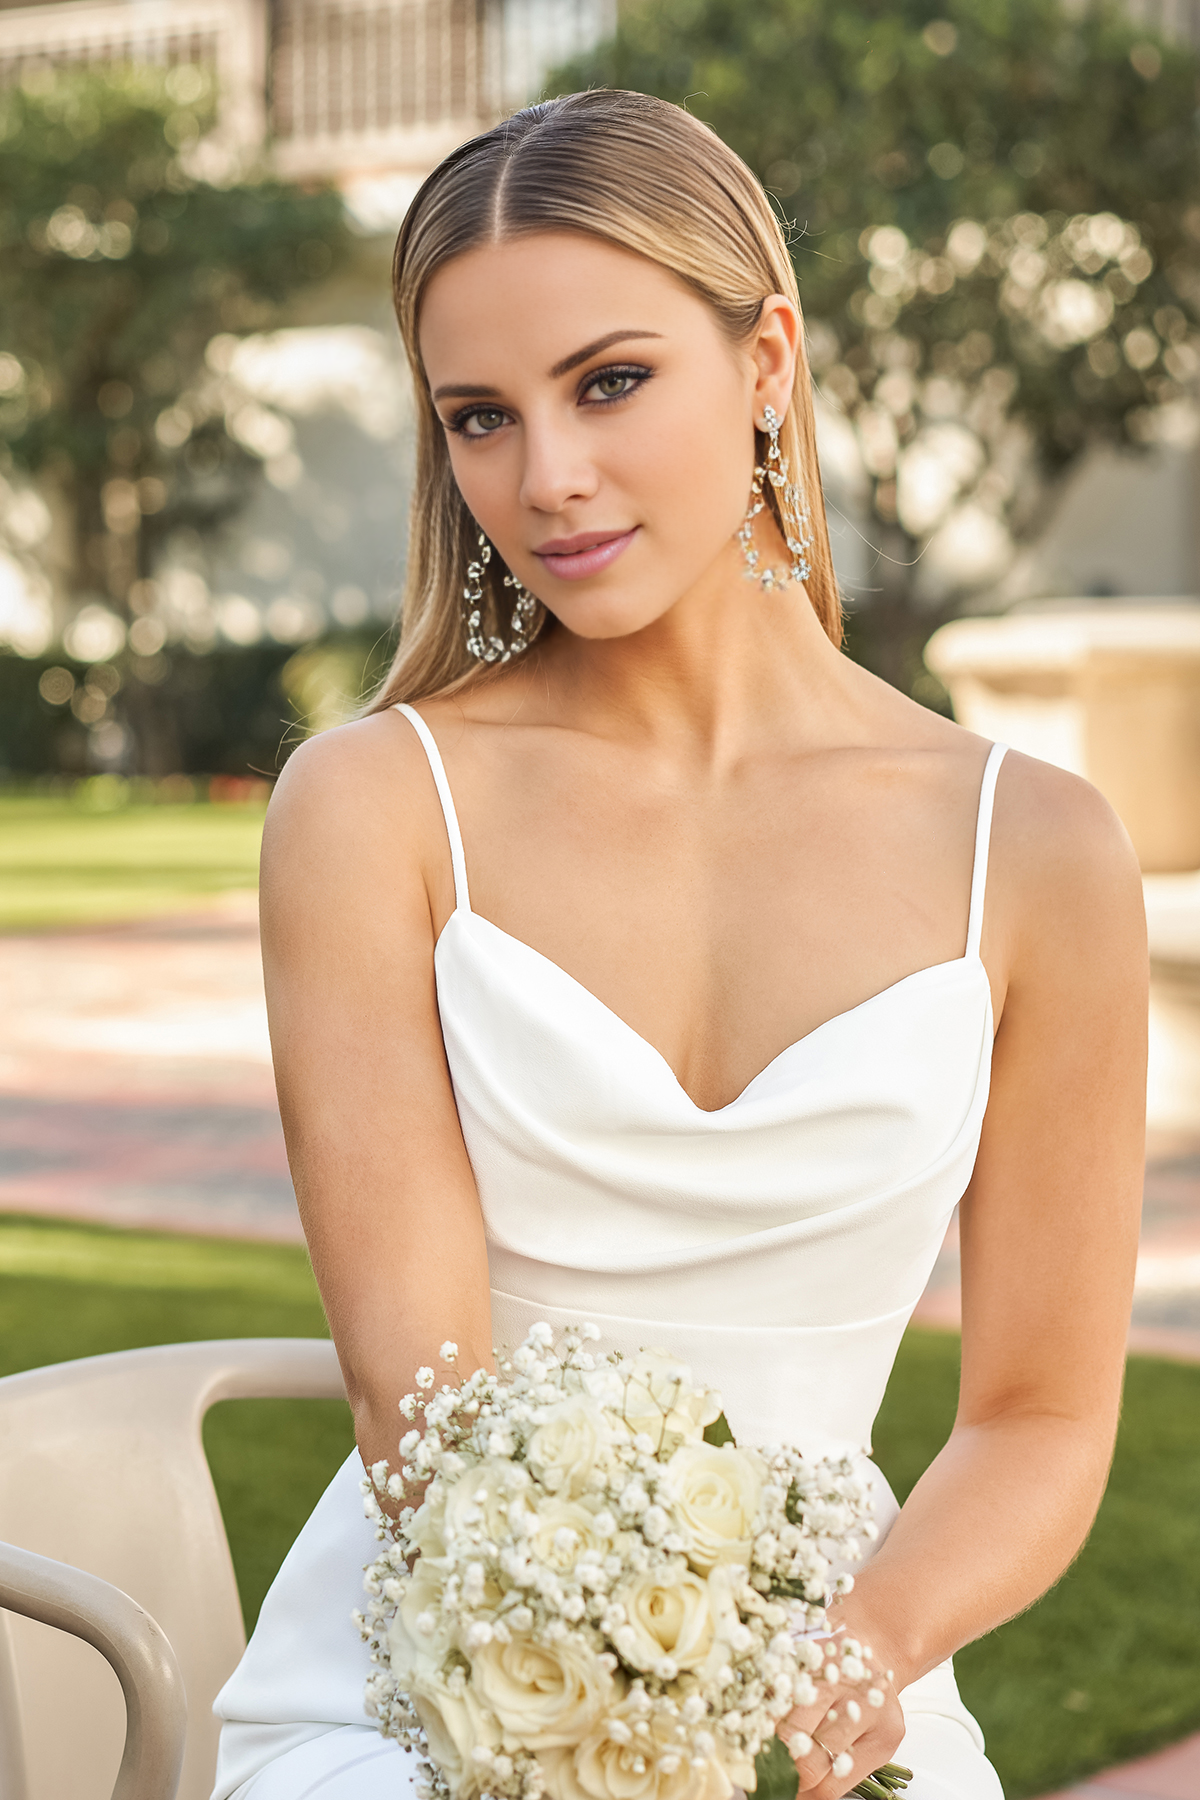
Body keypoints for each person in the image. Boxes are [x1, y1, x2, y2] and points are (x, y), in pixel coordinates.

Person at [210, 90, 1147, 1800]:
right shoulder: (373, 809)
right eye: (478, 417)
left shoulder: (1040, 851)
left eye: (611, 381)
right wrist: (616, 1723)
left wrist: (846, 1654)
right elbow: (416, 1400)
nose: (545, 476)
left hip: (850, 1677)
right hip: (435, 1684)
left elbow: (1041, 1419)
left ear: (768, 357)